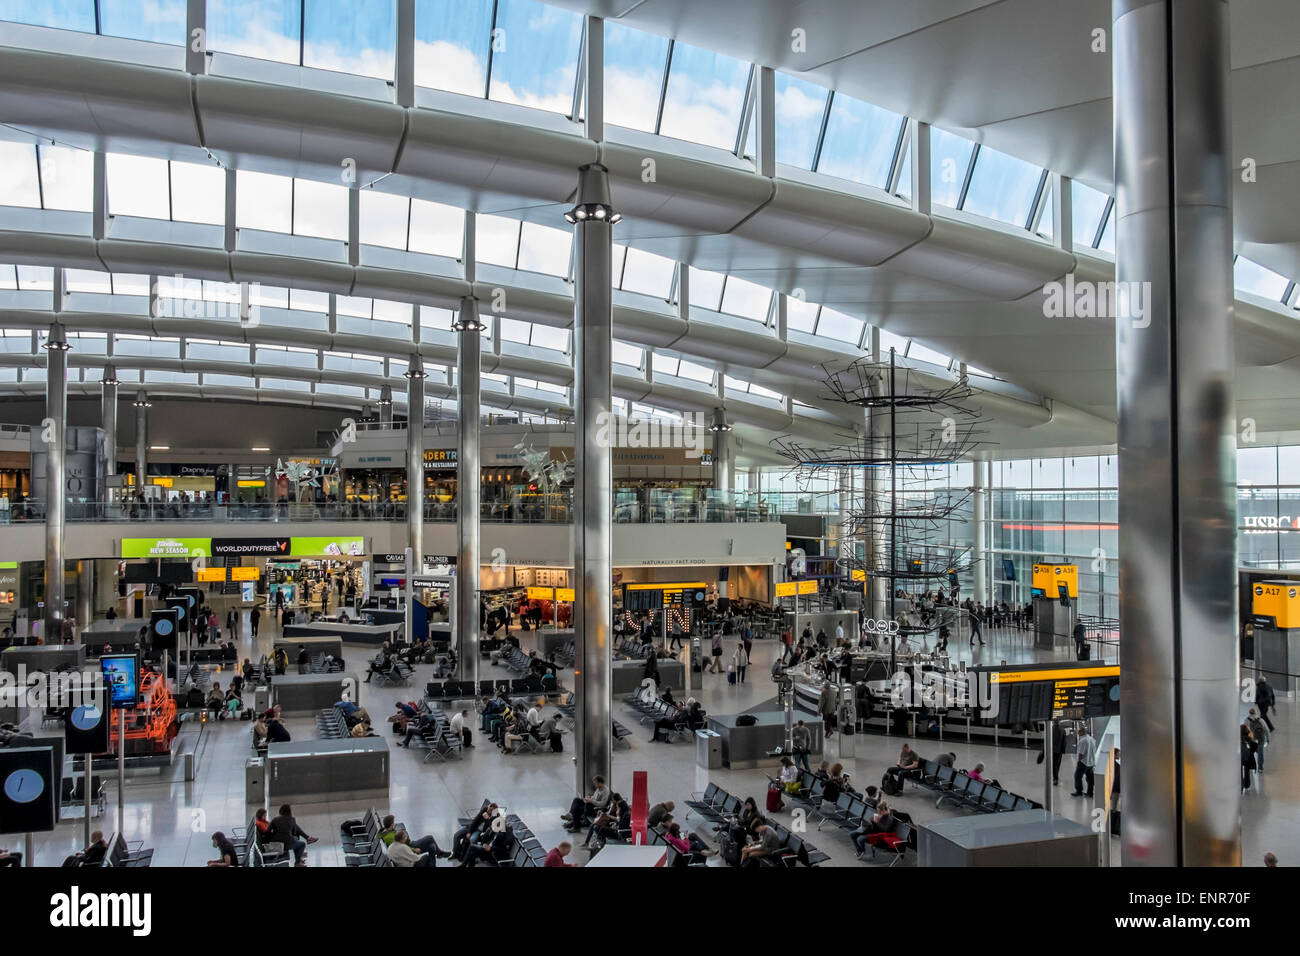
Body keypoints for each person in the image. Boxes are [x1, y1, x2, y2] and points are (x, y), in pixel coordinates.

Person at [1073, 725, 1096, 798]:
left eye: (1079, 731)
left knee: (1077, 776)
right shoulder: (1091, 739)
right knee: (1090, 778)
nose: (1078, 733)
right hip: (1091, 762)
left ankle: (1079, 791)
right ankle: (1090, 792)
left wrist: (1078, 761)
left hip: (1083, 762)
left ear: (1083, 731)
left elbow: (1081, 753)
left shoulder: (1083, 740)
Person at [1241, 723, 1258, 793]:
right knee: (1246, 771)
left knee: (1239, 771)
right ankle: (1246, 784)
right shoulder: (1248, 738)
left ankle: (1240, 785)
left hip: (1239, 757)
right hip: (1247, 758)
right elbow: (1254, 748)